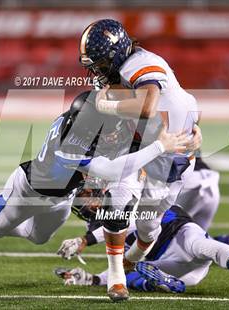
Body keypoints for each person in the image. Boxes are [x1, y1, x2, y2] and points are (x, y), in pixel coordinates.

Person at [0, 91, 191, 264]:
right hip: (30, 190)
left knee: (37, 237)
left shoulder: (86, 120)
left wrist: (188, 137)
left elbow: (130, 118)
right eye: (105, 128)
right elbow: (112, 170)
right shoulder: (72, 143)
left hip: (63, 196)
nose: (112, 132)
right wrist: (158, 147)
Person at [78, 18, 201, 301]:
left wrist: (106, 105)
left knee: (148, 227)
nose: (95, 70)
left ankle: (126, 265)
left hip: (174, 159)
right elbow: (181, 102)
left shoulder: (138, 64)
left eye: (99, 63)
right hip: (143, 147)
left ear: (116, 53)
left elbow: (148, 106)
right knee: (117, 200)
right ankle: (117, 279)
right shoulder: (121, 74)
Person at [55, 206, 229, 293]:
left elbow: (126, 220)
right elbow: (118, 264)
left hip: (175, 232)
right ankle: (169, 283)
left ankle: (166, 282)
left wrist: (85, 240)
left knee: (200, 247)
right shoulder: (98, 220)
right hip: (172, 259)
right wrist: (92, 279)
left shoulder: (124, 192)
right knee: (131, 271)